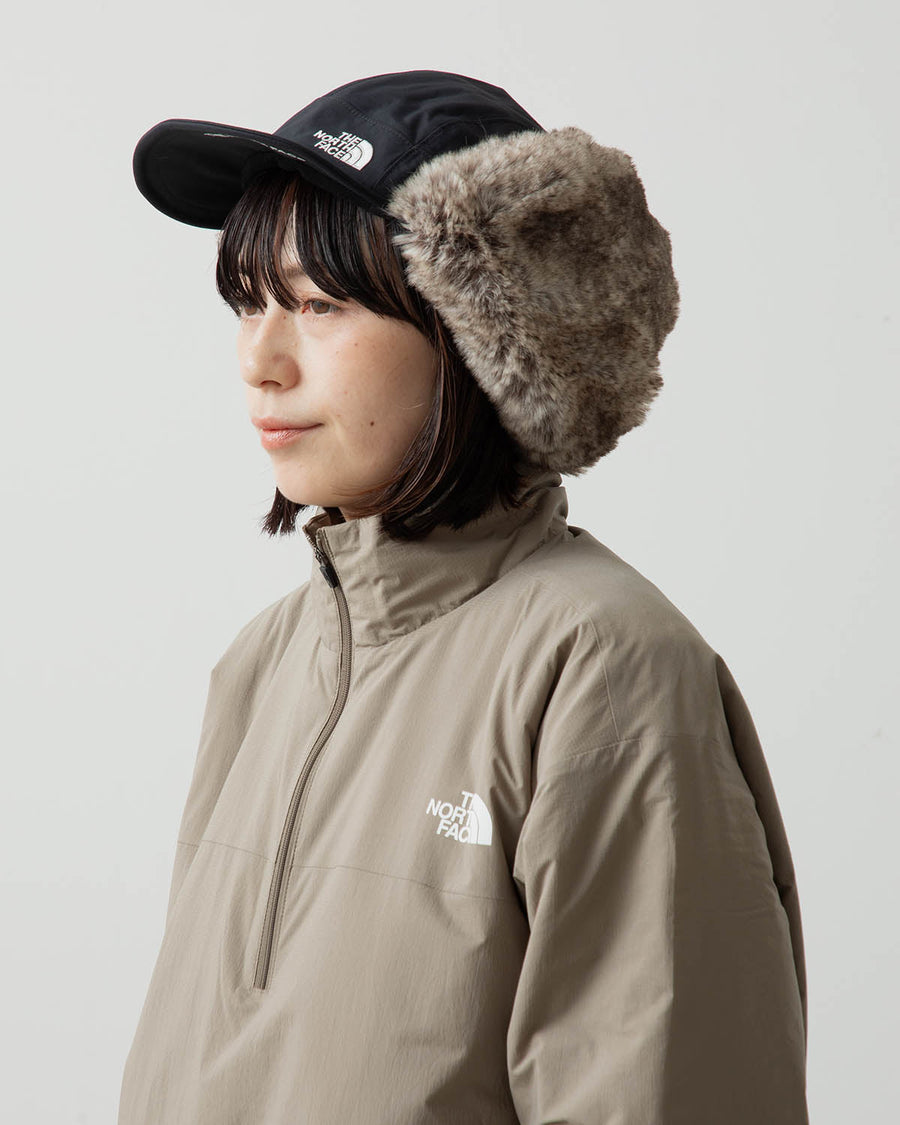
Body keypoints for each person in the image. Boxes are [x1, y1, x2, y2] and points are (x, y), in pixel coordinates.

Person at [120, 70, 809, 1124]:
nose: (261, 360)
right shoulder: (263, 663)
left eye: (318, 305)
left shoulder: (602, 669)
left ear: (480, 334)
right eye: (249, 301)